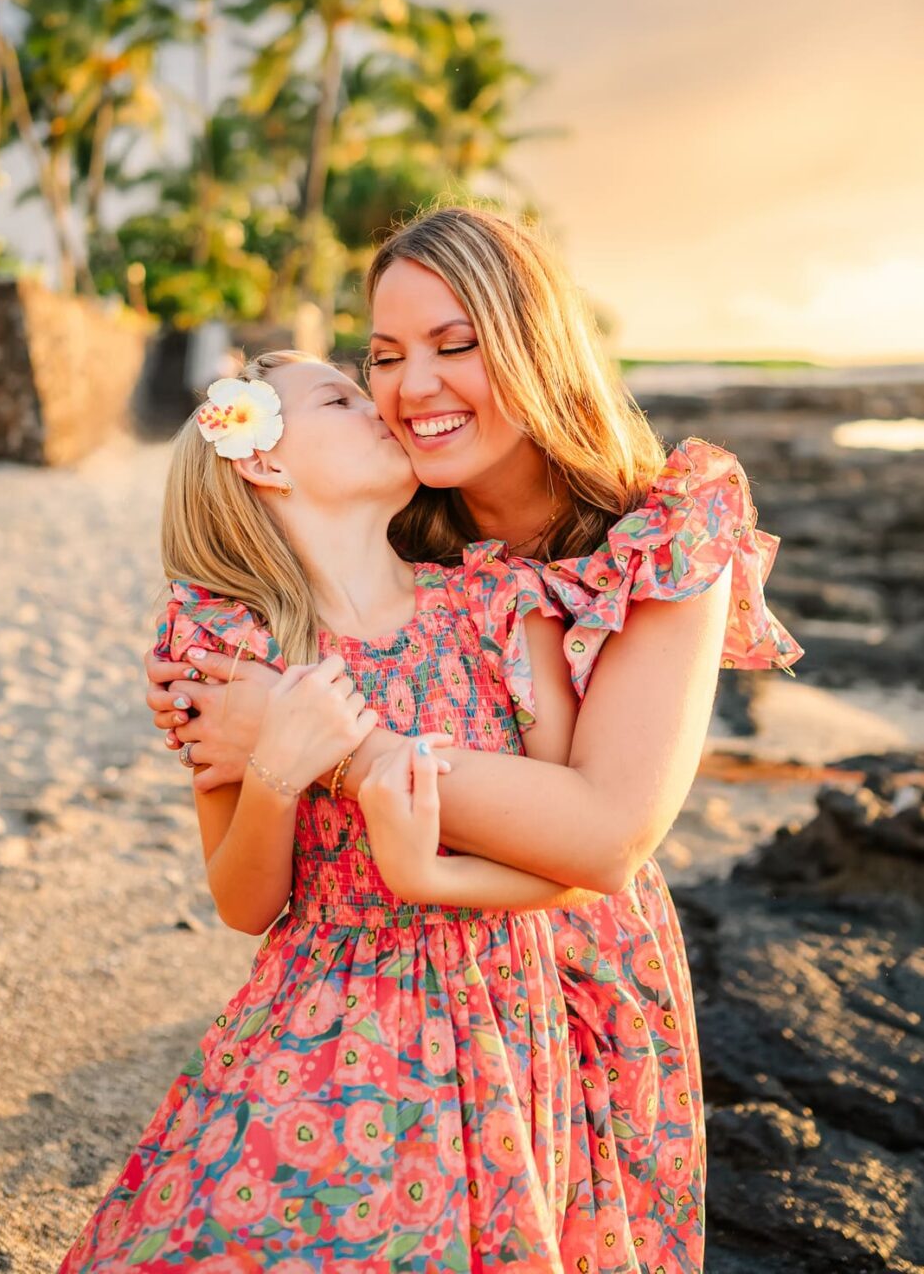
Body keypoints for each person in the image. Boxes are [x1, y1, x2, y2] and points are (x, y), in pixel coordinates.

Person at [145, 204, 803, 1274]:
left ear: (534, 343)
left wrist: (323, 739)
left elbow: (606, 834)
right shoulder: (393, 516)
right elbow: (268, 595)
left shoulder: (666, 534)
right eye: (385, 356)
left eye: (458, 345)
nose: (409, 389)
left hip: (568, 971)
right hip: (363, 992)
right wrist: (213, 692)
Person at [62, 350, 616, 1273]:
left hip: (499, 1009)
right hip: (315, 1014)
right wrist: (279, 770)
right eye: (340, 398)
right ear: (265, 460)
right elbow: (244, 906)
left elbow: (577, 860)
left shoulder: (495, 608)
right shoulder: (231, 651)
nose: (382, 408)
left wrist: (427, 875)